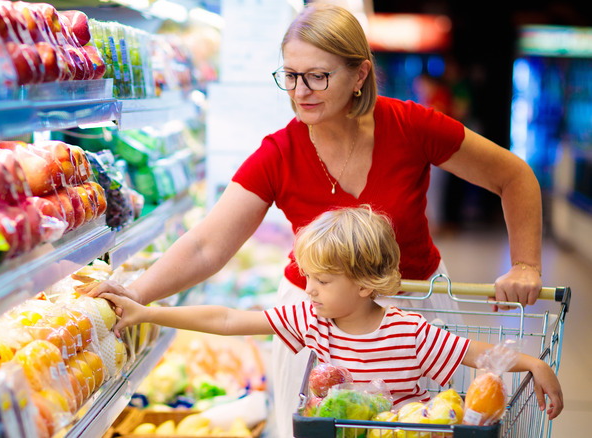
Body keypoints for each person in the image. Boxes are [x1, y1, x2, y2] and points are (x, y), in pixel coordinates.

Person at [87, 3, 544, 435]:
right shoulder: (279, 154)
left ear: (359, 74)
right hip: (318, 322)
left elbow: (514, 177)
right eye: (289, 76)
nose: (300, 91)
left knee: (424, 430)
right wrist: (134, 293)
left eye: (317, 76)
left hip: (415, 315)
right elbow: (208, 245)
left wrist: (525, 264)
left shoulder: (411, 127)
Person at [97, 207, 563, 423]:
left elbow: (478, 354)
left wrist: (535, 363)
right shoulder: (311, 319)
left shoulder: (409, 332)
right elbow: (227, 320)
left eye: (322, 281)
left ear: (364, 285)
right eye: (309, 278)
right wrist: (149, 312)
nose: (309, 289)